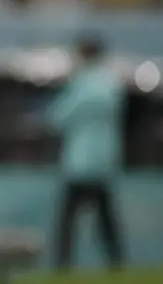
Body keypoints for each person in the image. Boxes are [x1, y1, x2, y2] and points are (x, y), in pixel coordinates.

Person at [48, 35, 125, 270]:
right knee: (106, 219)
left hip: (79, 162)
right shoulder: (111, 84)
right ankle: (116, 263)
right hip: (104, 160)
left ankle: (62, 265)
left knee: (67, 220)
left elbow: (58, 118)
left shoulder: (80, 84)